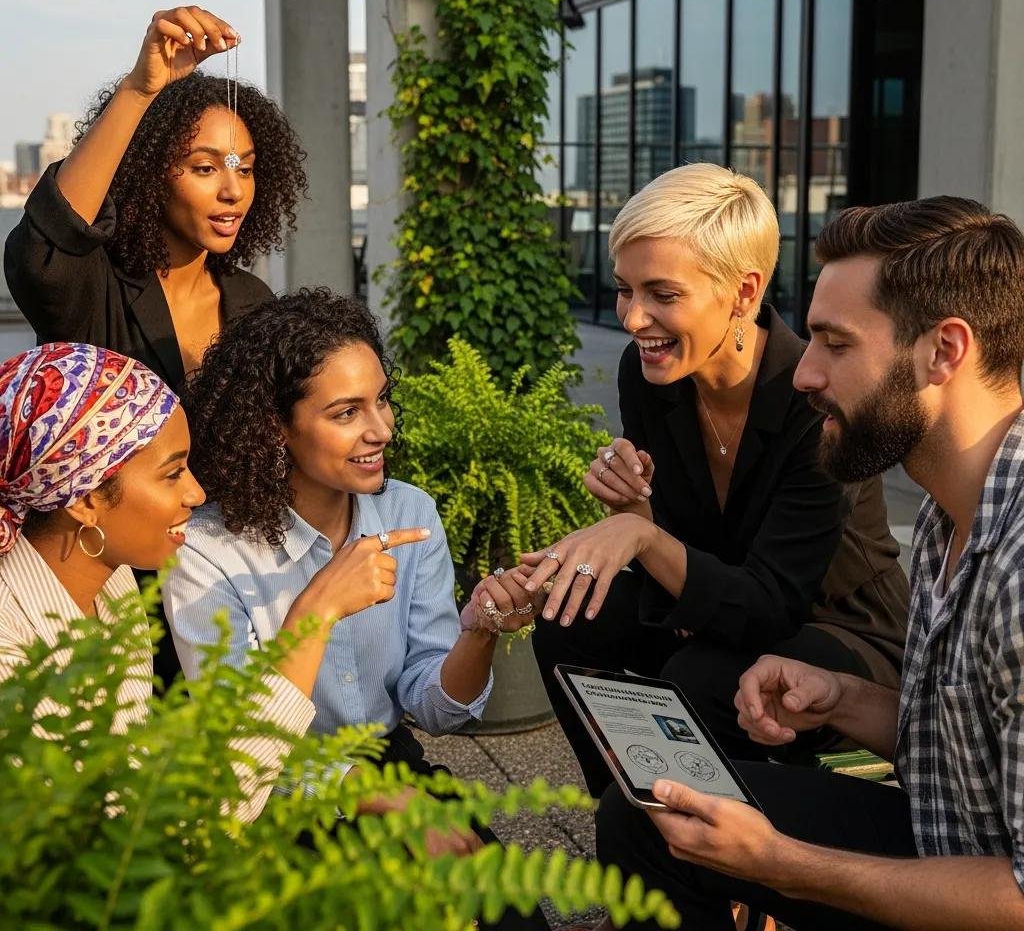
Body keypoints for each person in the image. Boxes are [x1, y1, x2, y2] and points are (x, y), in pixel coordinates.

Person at [595, 196, 1024, 930]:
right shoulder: (947, 513)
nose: (804, 373)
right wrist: (839, 698)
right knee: (651, 817)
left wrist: (781, 865)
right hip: (942, 833)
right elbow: (961, 748)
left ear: (944, 351)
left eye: (836, 343)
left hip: (987, 896)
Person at [163, 289, 550, 931]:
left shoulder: (409, 513)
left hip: (389, 765)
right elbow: (238, 748)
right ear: (273, 427)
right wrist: (318, 607)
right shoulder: (208, 552)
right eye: (347, 412)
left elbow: (432, 707)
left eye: (381, 399)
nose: (381, 429)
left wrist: (480, 632)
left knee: (510, 916)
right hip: (271, 799)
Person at [528, 163, 909, 795]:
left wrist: (638, 537)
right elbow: (681, 544)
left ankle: (713, 854)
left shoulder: (810, 398)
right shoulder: (648, 373)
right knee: (570, 623)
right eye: (625, 289)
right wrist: (637, 512)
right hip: (718, 607)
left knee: (699, 680)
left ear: (743, 291)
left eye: (663, 295)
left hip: (841, 635)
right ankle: (631, 814)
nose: (631, 318)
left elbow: (771, 604)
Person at [0, 342, 391, 822]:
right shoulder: (11, 653)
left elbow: (151, 782)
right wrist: (312, 619)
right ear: (84, 502)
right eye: (172, 474)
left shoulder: (113, 586)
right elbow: (192, 820)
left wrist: (349, 785)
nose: (197, 492)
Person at [4, 6, 307, 397]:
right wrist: (138, 91)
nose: (233, 190)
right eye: (204, 168)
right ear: (149, 175)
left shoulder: (252, 301)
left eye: (245, 170)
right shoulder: (98, 291)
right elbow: (51, 239)